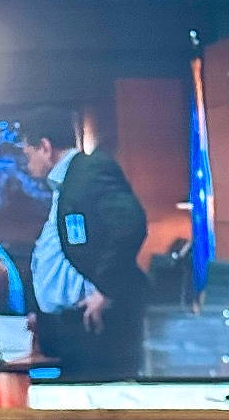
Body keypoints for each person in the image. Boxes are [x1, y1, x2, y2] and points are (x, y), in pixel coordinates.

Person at [20, 105, 147, 381]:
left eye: (28, 154)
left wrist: (106, 289)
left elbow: (130, 226)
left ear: (45, 146)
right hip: (67, 327)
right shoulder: (67, 182)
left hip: (95, 327)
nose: (27, 166)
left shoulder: (91, 170)